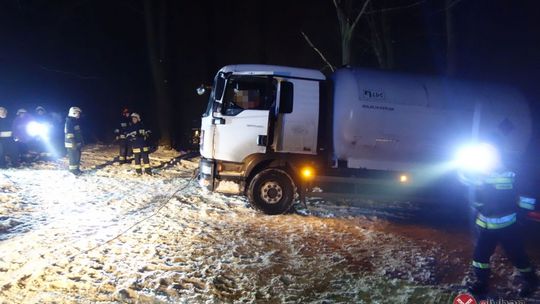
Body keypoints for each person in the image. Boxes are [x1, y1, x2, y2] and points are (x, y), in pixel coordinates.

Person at [459, 141, 538, 297]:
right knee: (480, 257)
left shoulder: (512, 172)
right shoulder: (477, 172)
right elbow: (466, 184)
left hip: (508, 225)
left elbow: (528, 193)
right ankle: (481, 282)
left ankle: (531, 281)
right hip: (484, 225)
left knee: (517, 256)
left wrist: (522, 215)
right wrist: (465, 170)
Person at [64, 106, 83, 175]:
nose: (79, 114)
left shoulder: (74, 121)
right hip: (71, 144)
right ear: (73, 113)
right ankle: (73, 170)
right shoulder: (69, 121)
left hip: (76, 143)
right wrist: (73, 143)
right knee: (73, 157)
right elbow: (69, 133)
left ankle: (76, 169)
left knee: (77, 156)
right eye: (78, 113)